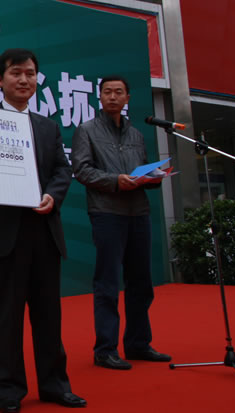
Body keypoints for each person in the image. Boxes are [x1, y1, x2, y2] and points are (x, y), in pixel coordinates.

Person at [0, 49, 86, 412]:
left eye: (31, 73)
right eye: (16, 73)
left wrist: (53, 195)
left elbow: (62, 170)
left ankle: (55, 385)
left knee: (48, 316)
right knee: (5, 319)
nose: (24, 80)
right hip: (3, 234)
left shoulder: (47, 126)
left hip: (43, 231)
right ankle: (8, 391)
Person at [70, 76, 171, 371]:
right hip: (106, 212)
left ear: (128, 98)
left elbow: (142, 170)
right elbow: (82, 170)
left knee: (141, 282)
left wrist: (153, 178)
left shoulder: (136, 135)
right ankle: (105, 349)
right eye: (107, 92)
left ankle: (138, 344)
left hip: (138, 212)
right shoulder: (86, 130)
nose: (112, 97)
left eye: (118, 92)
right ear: (99, 97)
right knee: (108, 282)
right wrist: (116, 181)